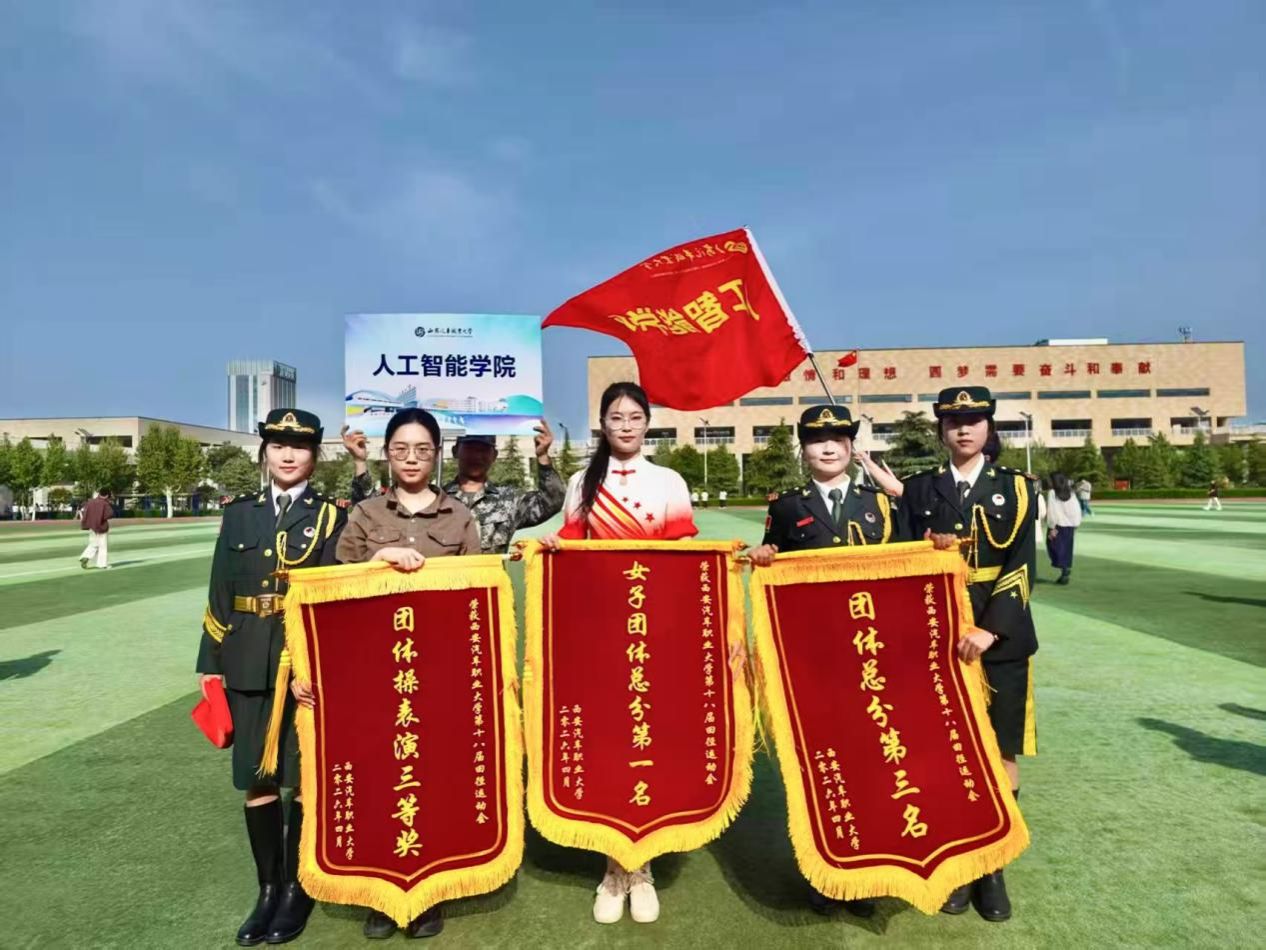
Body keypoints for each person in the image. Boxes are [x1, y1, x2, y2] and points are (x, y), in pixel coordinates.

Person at [539, 381, 696, 925]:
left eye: (634, 417)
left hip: (654, 632)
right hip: (598, 633)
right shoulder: (582, 482)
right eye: (615, 417)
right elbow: (573, 552)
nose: (625, 426)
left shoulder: (669, 481)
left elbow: (683, 561)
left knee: (648, 743)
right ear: (602, 424)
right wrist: (556, 546)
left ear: (647, 422)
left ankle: (643, 867)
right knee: (607, 745)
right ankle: (613, 869)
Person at [320, 407, 480, 940]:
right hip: (373, 671)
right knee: (379, 776)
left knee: (434, 775)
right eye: (401, 449)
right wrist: (377, 559)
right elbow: (335, 584)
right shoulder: (365, 514)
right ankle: (382, 893)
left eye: (422, 450)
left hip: (437, 670)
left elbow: (474, 595)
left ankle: (429, 889)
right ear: (387, 454)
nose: (411, 459)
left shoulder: (459, 517)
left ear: (437, 456)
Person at [749, 405, 913, 920]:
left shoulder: (880, 504)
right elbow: (772, 565)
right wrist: (765, 556)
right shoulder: (786, 506)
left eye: (838, 440)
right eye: (817, 440)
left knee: (872, 762)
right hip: (813, 658)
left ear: (850, 448)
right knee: (820, 765)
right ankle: (821, 871)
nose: (828, 448)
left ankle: (866, 873)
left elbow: (908, 570)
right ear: (804, 450)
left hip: (871, 656)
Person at [196, 409, 348, 946]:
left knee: (304, 779)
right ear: (264, 452)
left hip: (299, 665)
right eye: (278, 444)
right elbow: (219, 589)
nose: (287, 454)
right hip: (244, 659)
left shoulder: (330, 516)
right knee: (256, 780)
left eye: (299, 446)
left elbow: (333, 599)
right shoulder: (239, 514)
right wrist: (210, 665)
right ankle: (267, 889)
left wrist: (317, 667)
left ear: (315, 455)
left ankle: (298, 889)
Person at [901, 387, 1039, 924]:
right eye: (954, 421)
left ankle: (993, 867)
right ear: (941, 429)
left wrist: (990, 630)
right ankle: (959, 863)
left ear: (989, 427)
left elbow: (1022, 565)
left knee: (1000, 750)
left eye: (974, 420)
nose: (964, 429)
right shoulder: (920, 489)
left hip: (999, 637)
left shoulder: (1018, 487)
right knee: (946, 749)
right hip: (933, 636)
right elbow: (899, 562)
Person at [1045, 472, 1082, 584]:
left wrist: (1052, 527)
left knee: (1053, 547)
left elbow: (1052, 510)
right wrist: (1076, 523)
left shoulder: (1052, 493)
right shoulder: (1071, 492)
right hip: (1069, 526)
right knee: (1065, 549)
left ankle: (1064, 570)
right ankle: (1064, 570)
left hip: (1058, 526)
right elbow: (1076, 509)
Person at [78, 488, 113, 569]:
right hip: (101, 527)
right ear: (107, 495)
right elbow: (110, 514)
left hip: (92, 527)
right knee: (103, 546)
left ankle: (85, 556)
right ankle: (102, 564)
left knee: (94, 544)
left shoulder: (90, 502)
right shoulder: (105, 503)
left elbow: (85, 513)